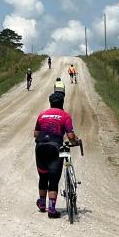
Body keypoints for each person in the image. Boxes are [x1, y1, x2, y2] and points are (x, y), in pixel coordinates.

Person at [33, 90, 77, 218]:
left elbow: (35, 134)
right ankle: (52, 209)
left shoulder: (42, 115)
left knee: (43, 177)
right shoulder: (65, 116)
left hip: (40, 147)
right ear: (62, 102)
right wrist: (74, 141)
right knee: (53, 178)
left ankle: (42, 204)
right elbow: (70, 136)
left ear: (50, 102)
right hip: (55, 148)